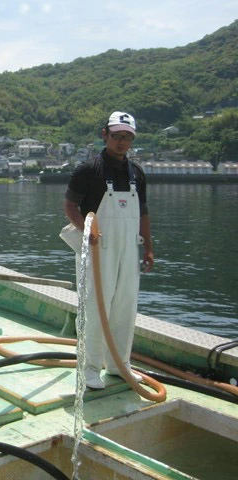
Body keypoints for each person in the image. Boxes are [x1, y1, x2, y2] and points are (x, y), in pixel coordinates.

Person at [63, 111, 154, 390]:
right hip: (97, 248)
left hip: (128, 248)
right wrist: (85, 229)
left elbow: (143, 213)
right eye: (117, 136)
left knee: (125, 305)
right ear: (105, 135)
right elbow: (70, 207)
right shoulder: (88, 170)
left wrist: (149, 247)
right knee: (93, 306)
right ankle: (89, 367)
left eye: (127, 137)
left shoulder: (136, 172)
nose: (122, 142)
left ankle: (118, 364)